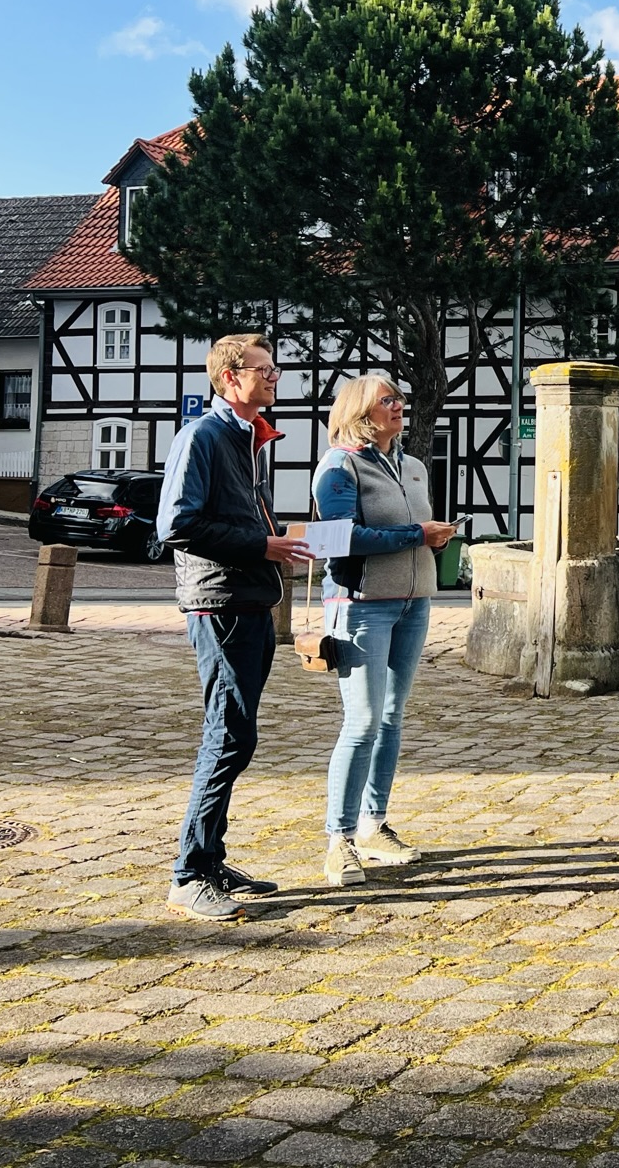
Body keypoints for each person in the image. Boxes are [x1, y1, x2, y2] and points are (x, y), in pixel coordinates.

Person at [158, 333, 314, 921]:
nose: (274, 378)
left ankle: (210, 857)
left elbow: (247, 521)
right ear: (229, 378)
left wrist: (279, 543)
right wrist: (261, 544)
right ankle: (189, 874)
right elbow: (176, 524)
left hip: (248, 600)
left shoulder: (250, 440)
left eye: (275, 370)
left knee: (236, 732)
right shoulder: (201, 436)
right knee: (229, 735)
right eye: (264, 370)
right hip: (219, 603)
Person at [313, 374, 456, 888]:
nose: (399, 406)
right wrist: (418, 534)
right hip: (361, 607)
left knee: (392, 718)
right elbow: (337, 540)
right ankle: (339, 840)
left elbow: (413, 527)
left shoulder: (412, 466)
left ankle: (374, 826)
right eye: (387, 400)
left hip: (415, 603)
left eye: (399, 397)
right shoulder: (338, 467)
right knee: (363, 720)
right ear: (359, 412)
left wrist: (434, 542)